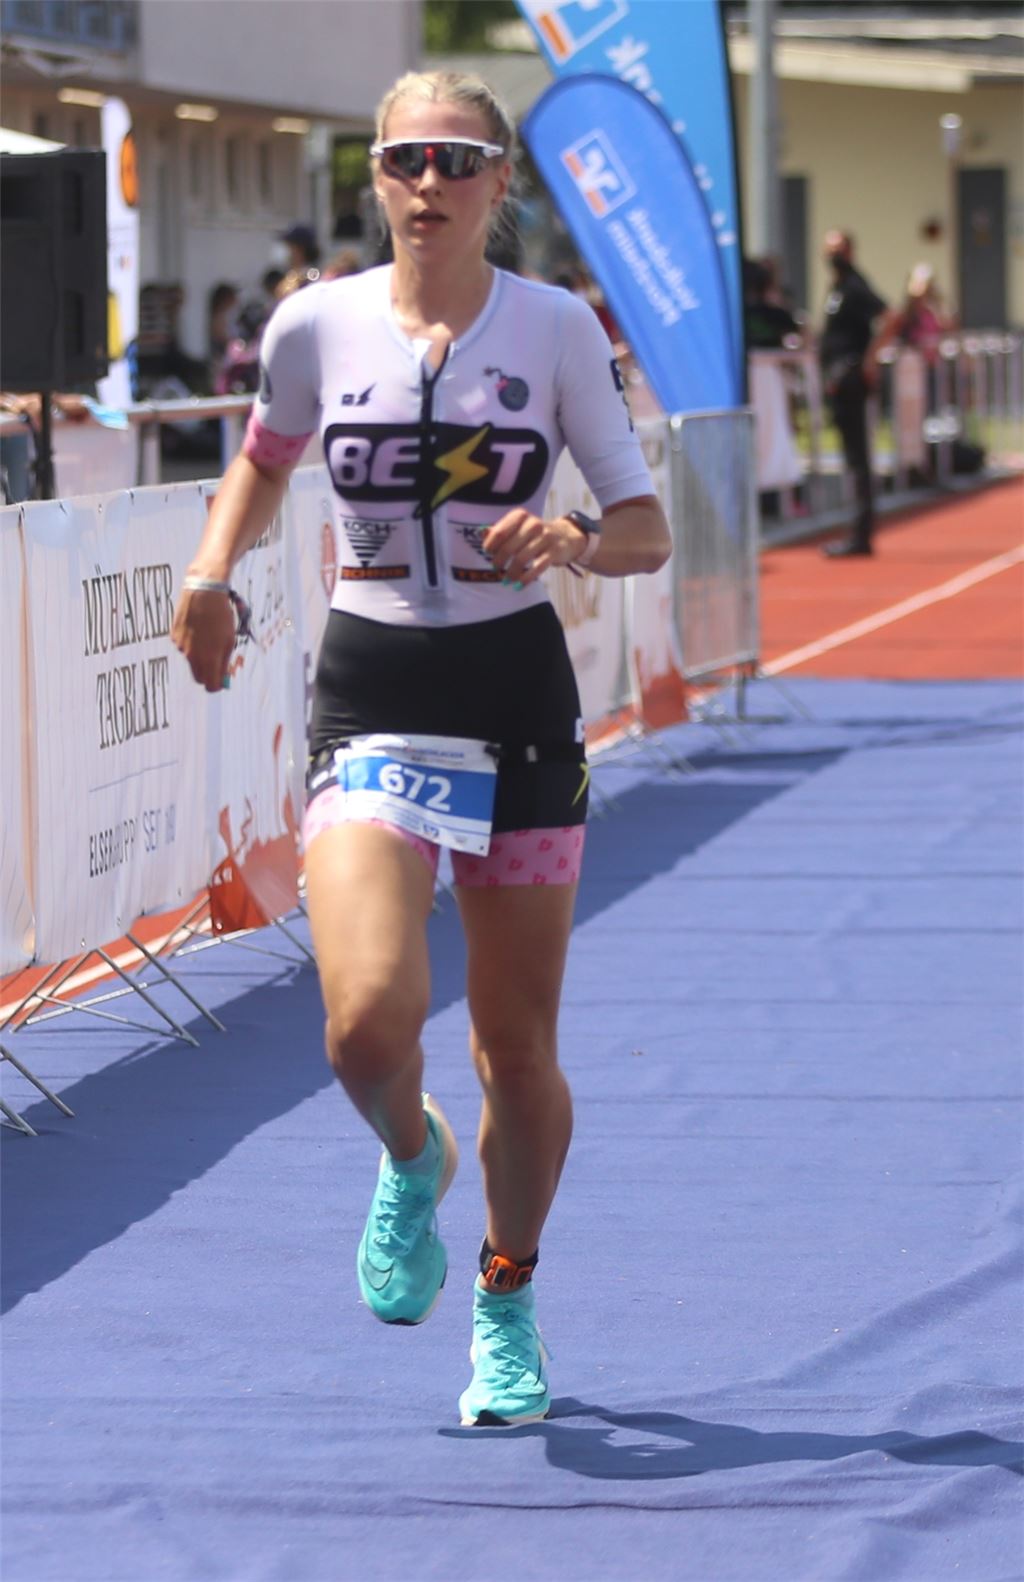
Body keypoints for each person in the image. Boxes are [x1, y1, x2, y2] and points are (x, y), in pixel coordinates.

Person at [171, 68, 671, 1427]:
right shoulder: (315, 324)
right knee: (361, 1021)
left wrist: (570, 537)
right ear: (376, 180)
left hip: (515, 693)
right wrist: (212, 570)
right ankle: (411, 1152)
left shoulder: (557, 328)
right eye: (406, 161)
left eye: (459, 160)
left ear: (502, 182)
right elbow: (267, 460)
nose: (431, 185)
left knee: (518, 1044)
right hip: (375, 682)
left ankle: (506, 1297)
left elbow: (644, 526)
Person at [818, 230, 887, 558]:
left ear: (850, 252)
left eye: (838, 250)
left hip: (851, 381)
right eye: (828, 249)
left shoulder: (856, 287)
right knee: (851, 458)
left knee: (858, 458)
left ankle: (862, 534)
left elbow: (890, 317)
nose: (832, 255)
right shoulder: (837, 288)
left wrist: (870, 360)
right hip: (837, 380)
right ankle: (858, 531)